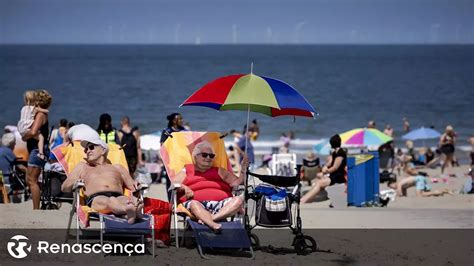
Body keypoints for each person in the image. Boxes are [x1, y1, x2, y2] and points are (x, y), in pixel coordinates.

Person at [61, 136, 143, 224]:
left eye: (91, 147)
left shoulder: (117, 168)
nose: (88, 151)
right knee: (110, 202)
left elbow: (133, 187)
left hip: (118, 196)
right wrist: (74, 182)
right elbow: (64, 187)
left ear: (103, 150)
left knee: (127, 201)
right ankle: (130, 210)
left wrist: (137, 185)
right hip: (96, 198)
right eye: (86, 150)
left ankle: (130, 211)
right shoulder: (83, 167)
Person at [173, 141, 248, 232]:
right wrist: (185, 187)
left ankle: (210, 219)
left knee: (238, 200)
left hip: (220, 205)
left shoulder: (220, 171)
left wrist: (243, 170)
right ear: (195, 156)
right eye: (204, 155)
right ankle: (213, 225)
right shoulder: (187, 170)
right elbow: (174, 184)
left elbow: (237, 182)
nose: (208, 158)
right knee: (194, 204)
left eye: (211, 156)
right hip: (196, 204)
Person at [21, 89, 52, 209]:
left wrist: (24, 137)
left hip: (36, 150)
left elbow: (33, 131)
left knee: (31, 180)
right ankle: (37, 205)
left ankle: (36, 209)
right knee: (31, 179)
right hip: (36, 149)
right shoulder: (42, 113)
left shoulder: (40, 115)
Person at [301, 134, 347, 203]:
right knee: (318, 180)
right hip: (334, 176)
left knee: (319, 183)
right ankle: (306, 198)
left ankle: (304, 200)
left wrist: (326, 171)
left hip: (338, 177)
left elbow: (335, 167)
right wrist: (325, 167)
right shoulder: (335, 153)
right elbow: (330, 163)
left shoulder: (340, 154)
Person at [17, 90, 49, 161]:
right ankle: (41, 153)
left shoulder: (23, 108)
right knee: (41, 137)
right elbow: (33, 132)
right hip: (28, 127)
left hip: (21, 127)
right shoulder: (35, 109)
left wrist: (24, 137)